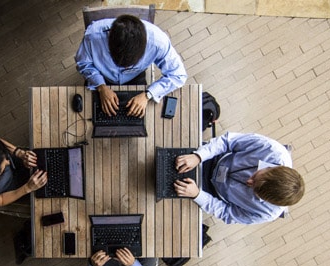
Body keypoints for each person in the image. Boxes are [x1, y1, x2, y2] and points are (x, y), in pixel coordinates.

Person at [174, 132, 305, 225]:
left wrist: (197, 195)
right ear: (271, 168)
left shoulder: (267, 213)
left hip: (208, 193)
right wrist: (198, 156)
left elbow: (226, 213)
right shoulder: (273, 151)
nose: (249, 182)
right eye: (255, 177)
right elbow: (227, 142)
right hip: (212, 157)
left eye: (254, 190)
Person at [75, 14, 187, 118]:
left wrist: (148, 94)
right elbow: (83, 63)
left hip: (135, 78)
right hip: (100, 77)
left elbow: (178, 75)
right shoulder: (92, 37)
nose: (124, 69)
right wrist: (101, 86)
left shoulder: (158, 42)